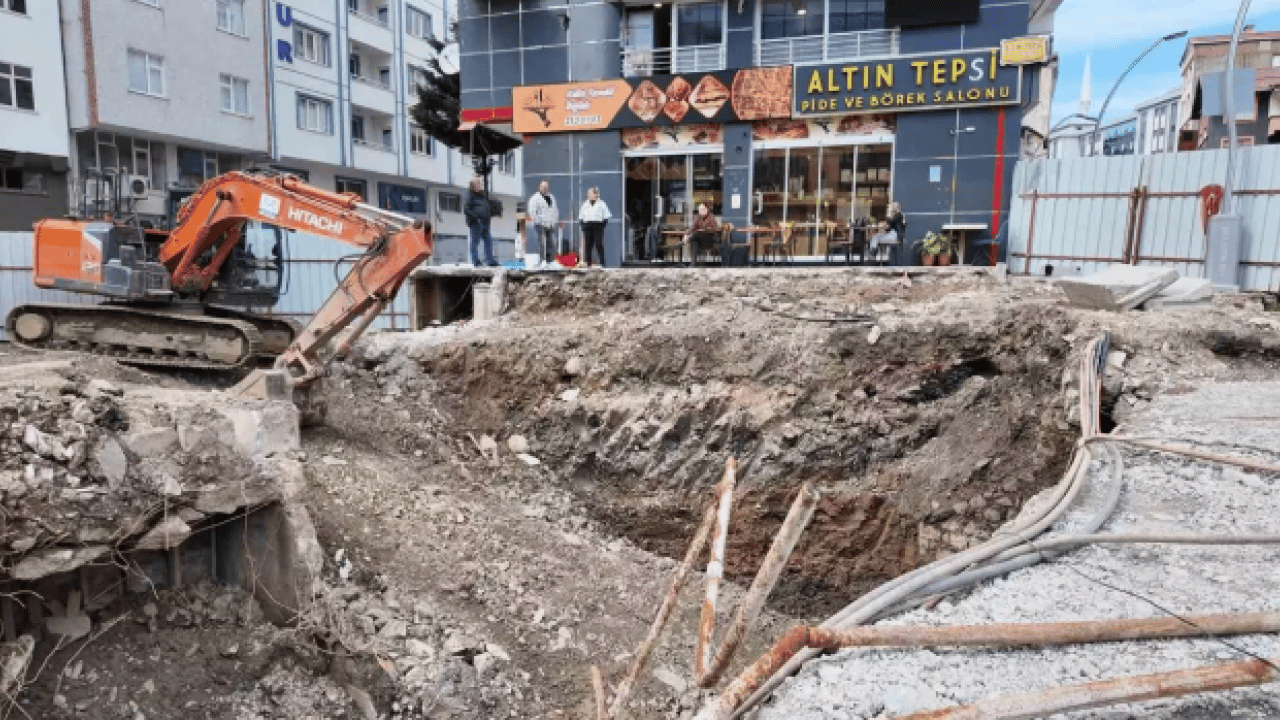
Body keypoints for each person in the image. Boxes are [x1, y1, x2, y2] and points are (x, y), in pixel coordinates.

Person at [464, 177, 499, 267]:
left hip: (485, 222)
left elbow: (486, 206)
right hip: (476, 223)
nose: (480, 184)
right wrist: (476, 218)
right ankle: (475, 261)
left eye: (480, 183)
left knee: (488, 241)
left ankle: (490, 260)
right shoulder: (470, 195)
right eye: (478, 183)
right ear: (473, 185)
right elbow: (466, 209)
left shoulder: (482, 195)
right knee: (475, 242)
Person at [527, 180, 565, 264]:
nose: (545, 189)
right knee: (541, 243)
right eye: (543, 187)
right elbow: (532, 211)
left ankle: (549, 261)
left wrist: (557, 221)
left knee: (550, 243)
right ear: (540, 187)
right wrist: (537, 220)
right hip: (540, 224)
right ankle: (541, 261)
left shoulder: (551, 197)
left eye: (546, 187)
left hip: (550, 224)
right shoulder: (535, 198)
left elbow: (555, 210)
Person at [578, 187, 612, 267]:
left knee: (599, 244)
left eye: (593, 193)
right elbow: (581, 217)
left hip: (598, 225)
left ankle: (602, 263)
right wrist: (583, 226)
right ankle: (588, 263)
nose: (591, 195)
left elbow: (606, 216)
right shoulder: (585, 204)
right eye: (590, 194)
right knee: (588, 246)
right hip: (588, 226)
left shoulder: (602, 203)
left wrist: (602, 226)